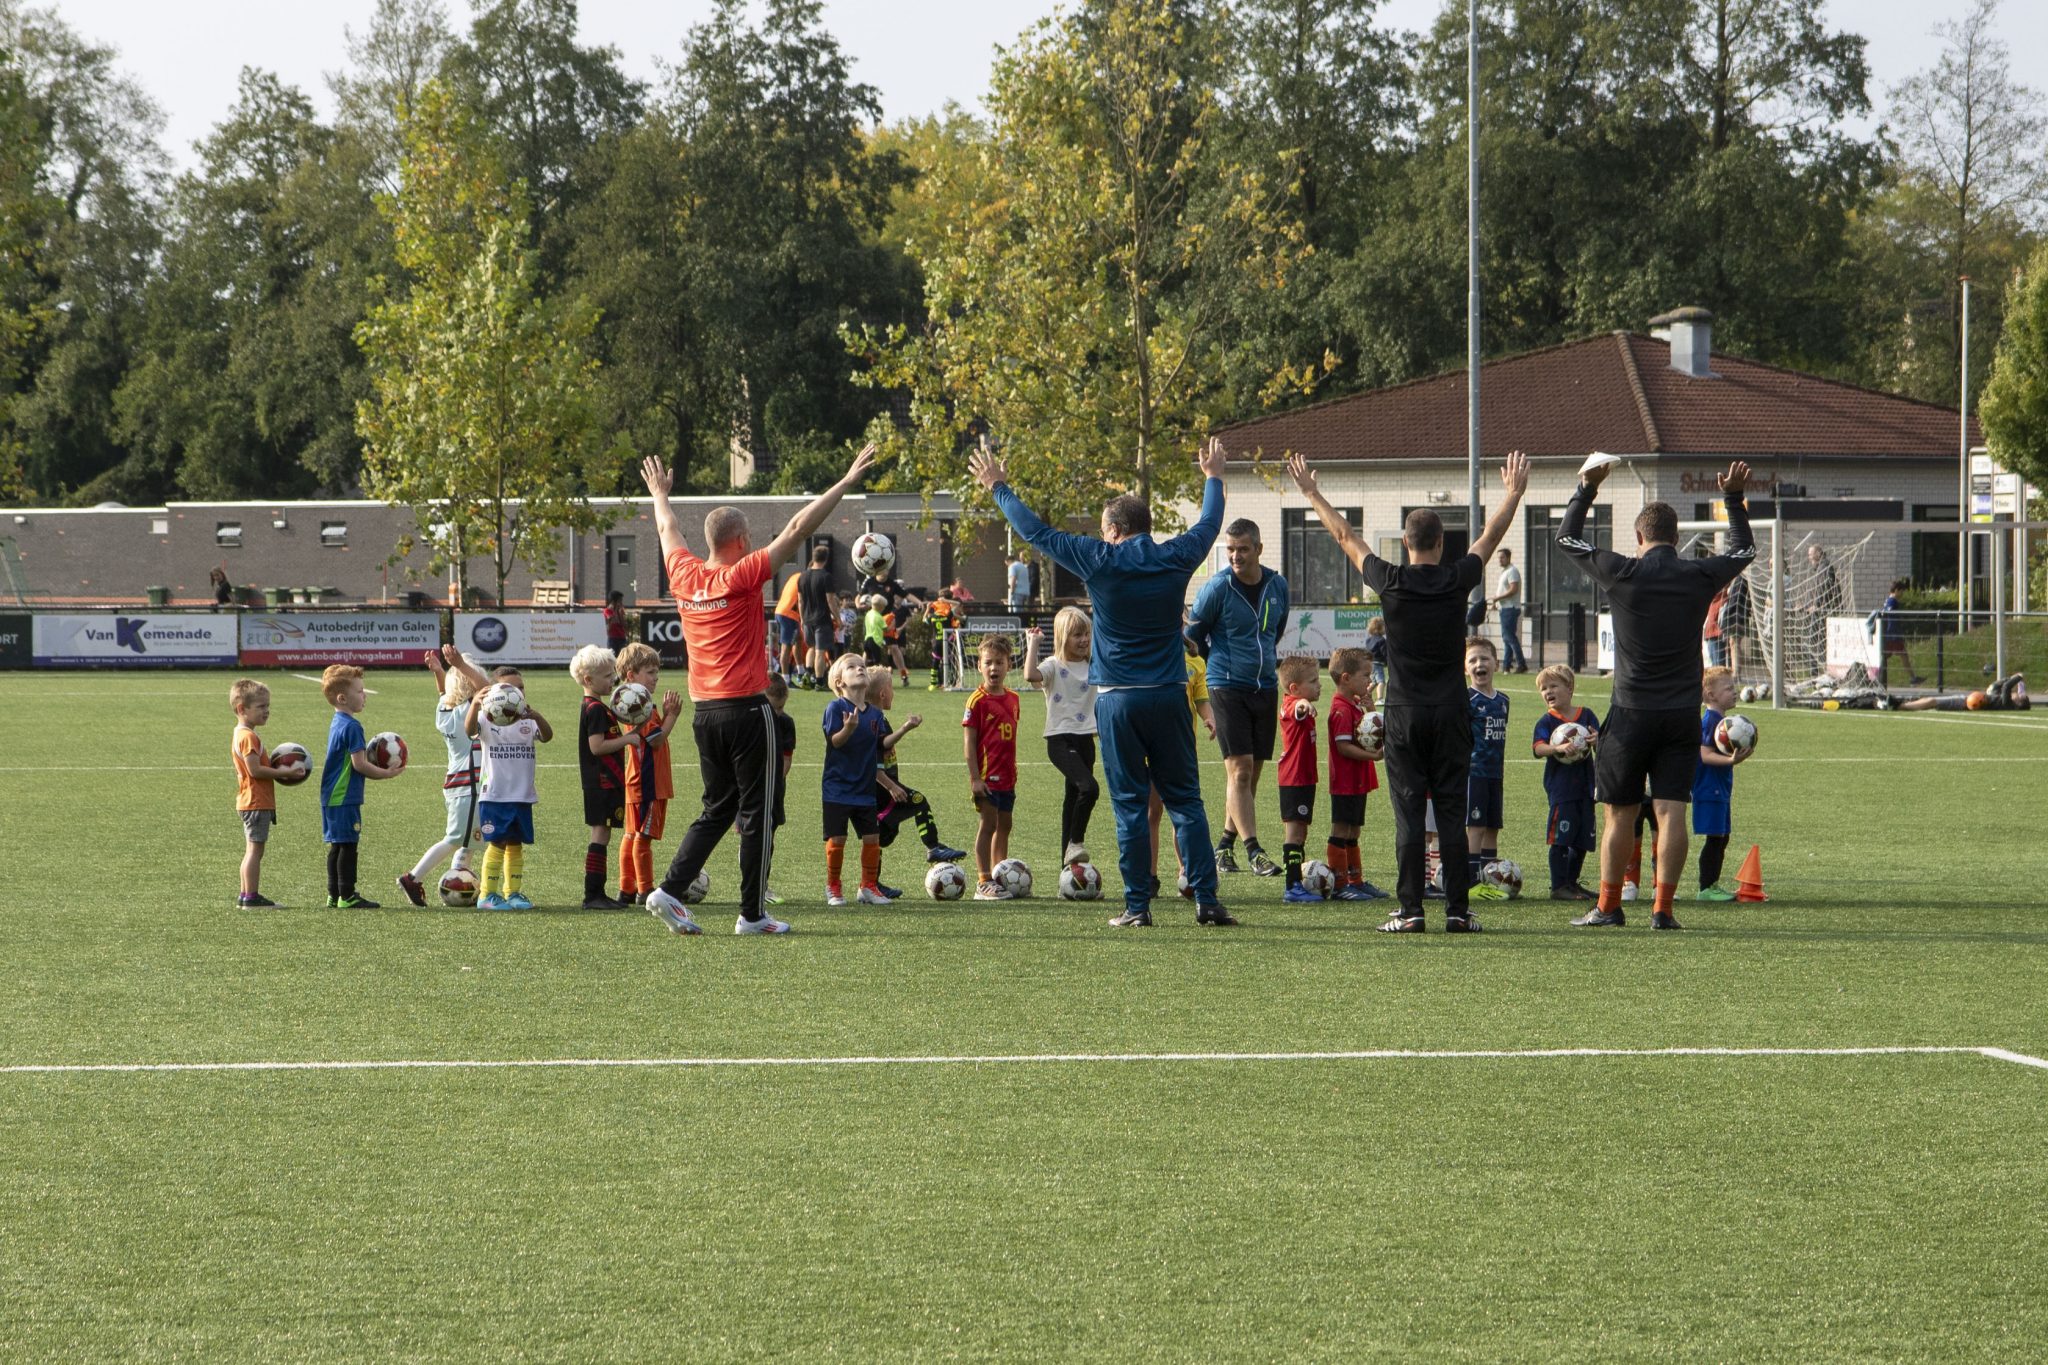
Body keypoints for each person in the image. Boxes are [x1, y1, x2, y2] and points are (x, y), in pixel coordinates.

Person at [973, 438, 1236, 928]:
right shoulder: (1175, 556)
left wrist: (999, 488)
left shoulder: (1100, 558)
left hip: (1117, 702)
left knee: (1131, 805)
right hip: (1167, 695)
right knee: (1186, 800)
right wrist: (1213, 477)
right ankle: (1207, 901)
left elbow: (1035, 532)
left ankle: (1138, 907)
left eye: (1103, 528)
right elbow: (1209, 525)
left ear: (1113, 530)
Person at [1288, 450, 1529, 933]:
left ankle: (1412, 910)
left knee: (1407, 817)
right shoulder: (1458, 578)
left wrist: (1312, 493)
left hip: (1404, 714)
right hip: (1452, 713)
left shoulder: (1390, 580)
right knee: (1452, 814)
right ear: (1442, 542)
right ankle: (1458, 912)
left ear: (1405, 542)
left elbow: (1344, 536)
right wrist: (1514, 493)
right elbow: (1490, 537)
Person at [639, 444, 875, 936]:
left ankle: (668, 889)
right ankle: (751, 914)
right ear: (743, 539)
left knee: (718, 808)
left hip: (704, 714)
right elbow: (797, 529)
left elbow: (667, 529)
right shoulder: (741, 575)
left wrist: (661, 494)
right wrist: (845, 481)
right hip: (747, 711)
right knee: (758, 811)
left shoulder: (683, 573)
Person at [1558, 456, 1754, 931]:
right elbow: (1743, 551)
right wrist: (1731, 498)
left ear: (1640, 538)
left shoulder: (1623, 571)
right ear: (1676, 537)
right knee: (1671, 812)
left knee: (1619, 816)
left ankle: (1608, 907)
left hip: (1630, 713)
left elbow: (1567, 538)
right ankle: (1663, 910)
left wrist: (1587, 488)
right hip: (1680, 714)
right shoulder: (1697, 575)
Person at [1187, 517, 1289, 878]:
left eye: (1242, 549)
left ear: (1259, 549)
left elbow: (1274, 632)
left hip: (1265, 687)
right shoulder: (1217, 587)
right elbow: (1194, 638)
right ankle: (1254, 850)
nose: (1235, 556)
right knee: (1240, 771)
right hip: (1226, 686)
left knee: (1251, 775)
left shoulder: (1278, 586)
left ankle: (1224, 845)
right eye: (1230, 549)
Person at [398, 645, 491, 907]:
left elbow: (443, 693)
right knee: (454, 838)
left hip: (457, 784)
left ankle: (460, 880)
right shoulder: (470, 710)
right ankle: (413, 877)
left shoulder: (445, 709)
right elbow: (488, 689)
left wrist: (439, 672)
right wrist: (460, 665)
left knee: (470, 836)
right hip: (469, 786)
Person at [466, 665, 554, 911]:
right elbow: (469, 730)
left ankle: (512, 893)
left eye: (521, 687)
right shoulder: (487, 717)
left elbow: (547, 736)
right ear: (496, 693)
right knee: (497, 843)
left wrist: (537, 716)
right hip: (495, 795)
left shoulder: (527, 719)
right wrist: (474, 704)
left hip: (522, 795)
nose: (518, 692)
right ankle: (486, 896)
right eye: (512, 688)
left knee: (515, 844)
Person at [320, 664, 404, 909]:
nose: (364, 695)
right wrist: (386, 774)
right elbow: (360, 765)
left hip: (331, 794)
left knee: (338, 844)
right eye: (359, 691)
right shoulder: (352, 726)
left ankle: (334, 895)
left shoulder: (337, 721)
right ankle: (347, 895)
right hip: (345, 795)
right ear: (342, 698)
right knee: (348, 844)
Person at [1024, 609, 1101, 869]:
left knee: (1072, 800)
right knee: (1089, 788)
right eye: (1077, 634)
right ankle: (1076, 843)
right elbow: (1030, 675)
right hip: (1060, 740)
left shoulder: (1094, 664)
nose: (1084, 639)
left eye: (1087, 633)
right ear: (1062, 637)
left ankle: (1066, 873)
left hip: (1086, 741)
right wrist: (1033, 643)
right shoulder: (1054, 666)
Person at [867, 671, 967, 867]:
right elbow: (881, 746)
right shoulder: (874, 719)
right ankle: (933, 847)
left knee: (879, 836)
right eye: (891, 688)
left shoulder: (877, 716)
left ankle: (872, 884)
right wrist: (905, 728)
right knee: (919, 802)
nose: (893, 692)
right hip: (882, 788)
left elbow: (884, 743)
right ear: (882, 694)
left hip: (883, 787)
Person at [821, 654, 898, 907]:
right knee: (838, 839)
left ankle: (868, 886)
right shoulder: (836, 708)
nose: (859, 670)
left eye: (862, 666)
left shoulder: (874, 713)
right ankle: (833, 887)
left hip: (865, 789)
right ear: (840, 682)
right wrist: (848, 729)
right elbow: (835, 741)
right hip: (838, 789)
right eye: (852, 667)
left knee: (872, 838)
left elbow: (881, 744)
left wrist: (905, 729)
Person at [570, 644, 637, 909]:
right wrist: (628, 739)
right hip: (602, 781)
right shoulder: (595, 709)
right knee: (600, 833)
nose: (613, 680)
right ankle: (593, 895)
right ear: (588, 680)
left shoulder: (597, 706)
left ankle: (597, 894)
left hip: (605, 781)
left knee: (604, 833)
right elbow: (596, 747)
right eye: (608, 676)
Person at [1149, 631, 1217, 891]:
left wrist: (1208, 717)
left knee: (1182, 811)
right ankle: (1150, 876)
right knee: (1151, 813)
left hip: (1182, 748)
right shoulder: (1149, 654)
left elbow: (1201, 699)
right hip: (1150, 748)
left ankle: (1186, 871)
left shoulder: (1195, 661)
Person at [616, 642, 683, 906]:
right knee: (642, 837)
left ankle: (626, 888)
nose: (656, 678)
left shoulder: (630, 701)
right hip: (648, 783)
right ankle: (645, 889)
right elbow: (656, 740)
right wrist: (672, 715)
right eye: (650, 672)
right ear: (631, 675)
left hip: (637, 782)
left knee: (631, 835)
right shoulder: (638, 704)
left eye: (657, 672)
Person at [1530, 664, 1600, 901]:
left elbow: (1602, 744)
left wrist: (1596, 740)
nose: (1547, 692)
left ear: (1569, 688)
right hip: (1562, 789)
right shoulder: (1547, 721)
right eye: (1543, 688)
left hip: (1586, 787)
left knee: (1582, 839)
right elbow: (1539, 748)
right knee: (1561, 838)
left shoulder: (1587, 715)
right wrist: (1557, 748)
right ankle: (1558, 886)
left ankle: (1572, 883)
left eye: (1553, 686)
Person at [1324, 647, 1389, 900]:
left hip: (1358, 779)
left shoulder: (1354, 705)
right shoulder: (1340, 709)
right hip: (1345, 780)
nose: (1369, 680)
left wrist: (1370, 706)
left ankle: (1356, 880)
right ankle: (1340, 885)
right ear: (1346, 679)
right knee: (1341, 828)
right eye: (1365, 675)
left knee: (1354, 830)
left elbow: (1373, 727)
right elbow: (1343, 747)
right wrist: (1373, 756)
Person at [963, 636, 1022, 899]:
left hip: (1008, 776)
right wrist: (975, 779)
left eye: (1000, 662)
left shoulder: (1014, 698)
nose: (994, 668)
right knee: (987, 825)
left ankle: (1000, 873)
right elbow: (970, 743)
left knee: (1005, 824)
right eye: (989, 663)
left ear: (1009, 665)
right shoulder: (977, 701)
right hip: (987, 777)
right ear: (979, 666)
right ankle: (983, 880)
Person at [230, 678, 293, 908]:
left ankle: (245, 893)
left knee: (251, 851)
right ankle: (251, 897)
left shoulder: (241, 733)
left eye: (268, 706)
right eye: (260, 707)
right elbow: (254, 770)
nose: (267, 711)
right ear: (241, 709)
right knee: (255, 852)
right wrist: (283, 772)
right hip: (256, 802)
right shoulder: (248, 737)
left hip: (251, 801)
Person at [1692, 666, 1752, 902]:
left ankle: (1712, 885)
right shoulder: (1710, 722)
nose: (1734, 692)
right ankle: (1706, 888)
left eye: (1734, 687)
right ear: (1710, 695)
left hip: (1720, 788)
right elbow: (1704, 755)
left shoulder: (1724, 721)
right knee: (1715, 837)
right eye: (1728, 688)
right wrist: (1730, 759)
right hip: (1708, 788)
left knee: (1722, 836)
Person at [1463, 636, 1510, 900]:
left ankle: (1490, 879)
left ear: (1496, 664)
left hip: (1496, 773)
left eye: (1484, 658)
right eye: (1473, 660)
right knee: (1476, 826)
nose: (1479, 664)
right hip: (1474, 773)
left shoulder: (1503, 700)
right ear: (1465, 668)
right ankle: (1471, 881)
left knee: (1493, 827)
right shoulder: (1466, 700)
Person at [1274, 655, 1323, 904]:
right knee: (1294, 834)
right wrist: (1303, 702)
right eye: (1313, 681)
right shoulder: (1292, 705)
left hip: (1304, 778)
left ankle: (1298, 882)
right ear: (1294, 688)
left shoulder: (1294, 702)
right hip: (1294, 779)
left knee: (1301, 833)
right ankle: (1292, 886)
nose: (1319, 685)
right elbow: (1297, 708)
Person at [764, 673, 795, 906]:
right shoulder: (753, 720)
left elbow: (786, 760)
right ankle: (754, 884)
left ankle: (762, 884)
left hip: (774, 791)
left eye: (781, 707)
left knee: (768, 837)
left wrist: (772, 782)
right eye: (774, 707)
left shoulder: (785, 723)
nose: (778, 712)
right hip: (749, 789)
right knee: (750, 836)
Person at [797, 543, 837, 688]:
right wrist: (837, 618)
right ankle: (819, 682)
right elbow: (830, 600)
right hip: (822, 619)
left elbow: (800, 600)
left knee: (811, 649)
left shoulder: (802, 577)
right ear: (825, 560)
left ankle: (808, 678)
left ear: (813, 558)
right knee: (820, 652)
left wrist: (802, 619)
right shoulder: (826, 577)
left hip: (807, 619)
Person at [1867, 579, 1921, 686]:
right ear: (1896, 590)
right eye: (1901, 591)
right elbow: (1890, 616)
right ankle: (1912, 679)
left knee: (1886, 655)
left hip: (1889, 635)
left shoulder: (1887, 601)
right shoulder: (1893, 602)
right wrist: (1894, 633)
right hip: (1893, 635)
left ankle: (1875, 678)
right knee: (1901, 655)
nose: (1902, 594)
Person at [1491, 549, 1527, 672]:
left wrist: (1497, 598)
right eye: (1499, 558)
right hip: (1505, 608)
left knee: (1509, 637)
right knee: (1507, 638)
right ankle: (1506, 665)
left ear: (1508, 557)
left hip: (1510, 608)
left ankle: (1521, 664)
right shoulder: (1505, 572)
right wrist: (1496, 602)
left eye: (1502, 557)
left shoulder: (1512, 571)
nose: (1499, 560)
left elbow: (1513, 590)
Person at [773, 570, 804, 679]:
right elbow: (801, 599)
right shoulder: (803, 578)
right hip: (788, 614)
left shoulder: (795, 576)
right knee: (786, 646)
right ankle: (786, 679)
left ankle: (801, 672)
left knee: (798, 640)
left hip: (784, 612)